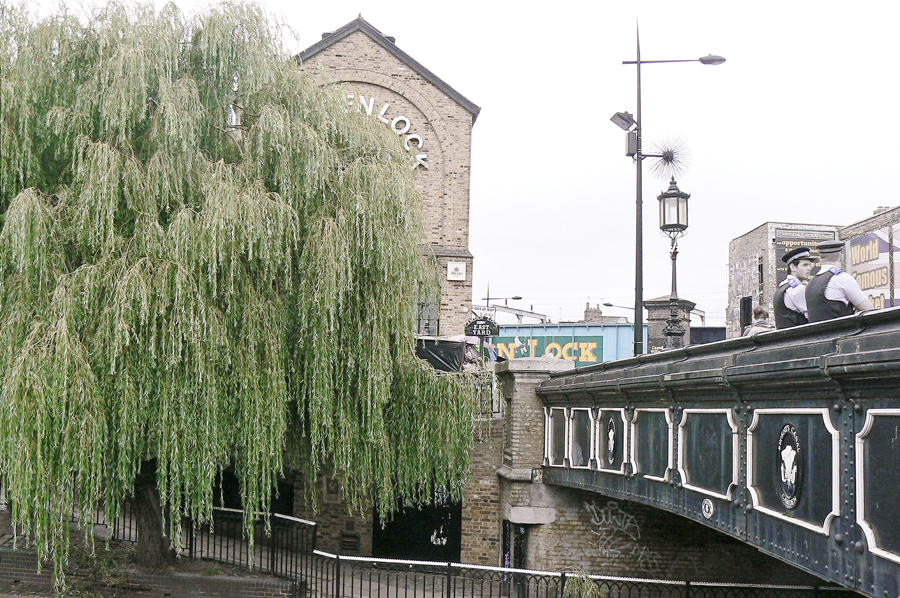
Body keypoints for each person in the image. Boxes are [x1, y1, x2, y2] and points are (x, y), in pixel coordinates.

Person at [806, 240, 874, 322]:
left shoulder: (810, 284)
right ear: (842, 257)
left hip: (816, 334)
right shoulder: (841, 278)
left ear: (820, 259)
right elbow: (867, 308)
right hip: (842, 333)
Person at [774, 246, 816, 329]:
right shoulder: (798, 289)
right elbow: (814, 317)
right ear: (793, 267)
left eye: (810, 265)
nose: (809, 268)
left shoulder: (783, 286)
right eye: (805, 265)